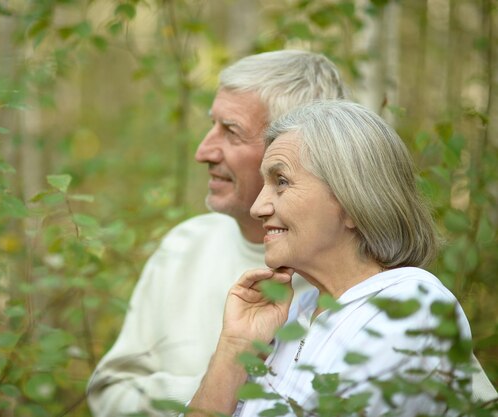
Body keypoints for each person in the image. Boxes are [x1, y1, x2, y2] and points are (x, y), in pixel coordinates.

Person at [188, 100, 496, 416]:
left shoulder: (409, 307)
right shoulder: (293, 316)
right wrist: (235, 348)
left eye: (281, 181)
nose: (257, 208)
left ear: (352, 202)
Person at [86, 50, 349, 416]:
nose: (203, 151)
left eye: (231, 131)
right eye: (213, 125)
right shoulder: (184, 245)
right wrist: (218, 387)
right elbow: (108, 393)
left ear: (293, 148)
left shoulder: (353, 275)